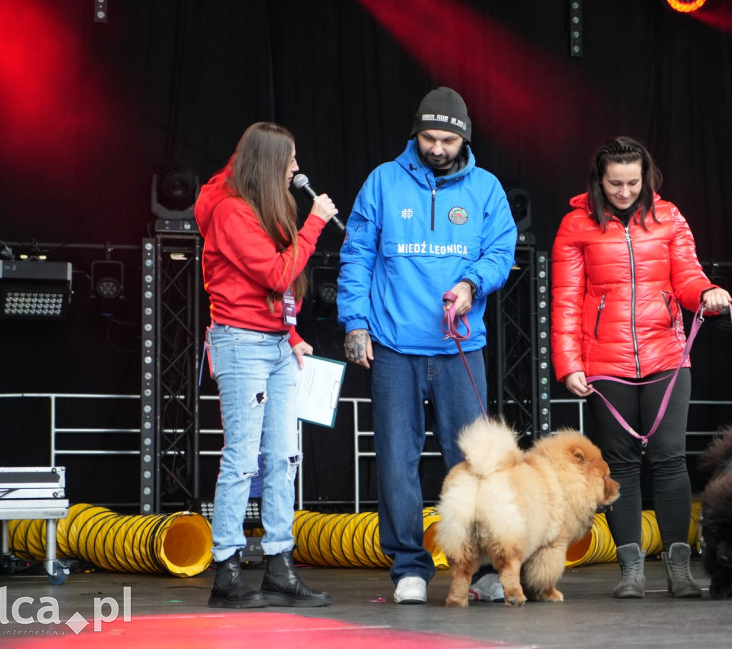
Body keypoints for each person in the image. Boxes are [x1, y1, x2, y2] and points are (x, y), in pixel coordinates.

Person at [337, 87, 518, 604]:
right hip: (395, 346)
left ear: (464, 138)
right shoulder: (382, 182)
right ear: (414, 133)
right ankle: (410, 567)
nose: (436, 148)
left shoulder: (486, 188)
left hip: (461, 347)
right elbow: (356, 257)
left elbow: (501, 252)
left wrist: (470, 285)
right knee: (397, 459)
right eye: (428, 137)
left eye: (447, 139)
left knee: (477, 463)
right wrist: (355, 323)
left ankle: (483, 567)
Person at [550, 136, 732, 600]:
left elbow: (687, 276)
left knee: (670, 461)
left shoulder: (669, 217)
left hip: (666, 357)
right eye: (616, 183)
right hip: (605, 362)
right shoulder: (575, 225)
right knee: (622, 468)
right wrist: (569, 363)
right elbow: (566, 300)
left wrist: (707, 292)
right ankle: (630, 571)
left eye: (633, 182)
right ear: (599, 179)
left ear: (646, 177)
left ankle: (679, 570)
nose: (625, 191)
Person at [195, 121, 339, 609]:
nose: (297, 170)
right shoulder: (231, 213)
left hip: (275, 344)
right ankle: (227, 570)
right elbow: (277, 271)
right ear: (270, 162)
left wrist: (293, 335)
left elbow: (274, 292)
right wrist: (315, 222)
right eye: (291, 160)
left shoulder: (262, 209)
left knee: (284, 457)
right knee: (242, 459)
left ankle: (280, 565)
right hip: (241, 345)